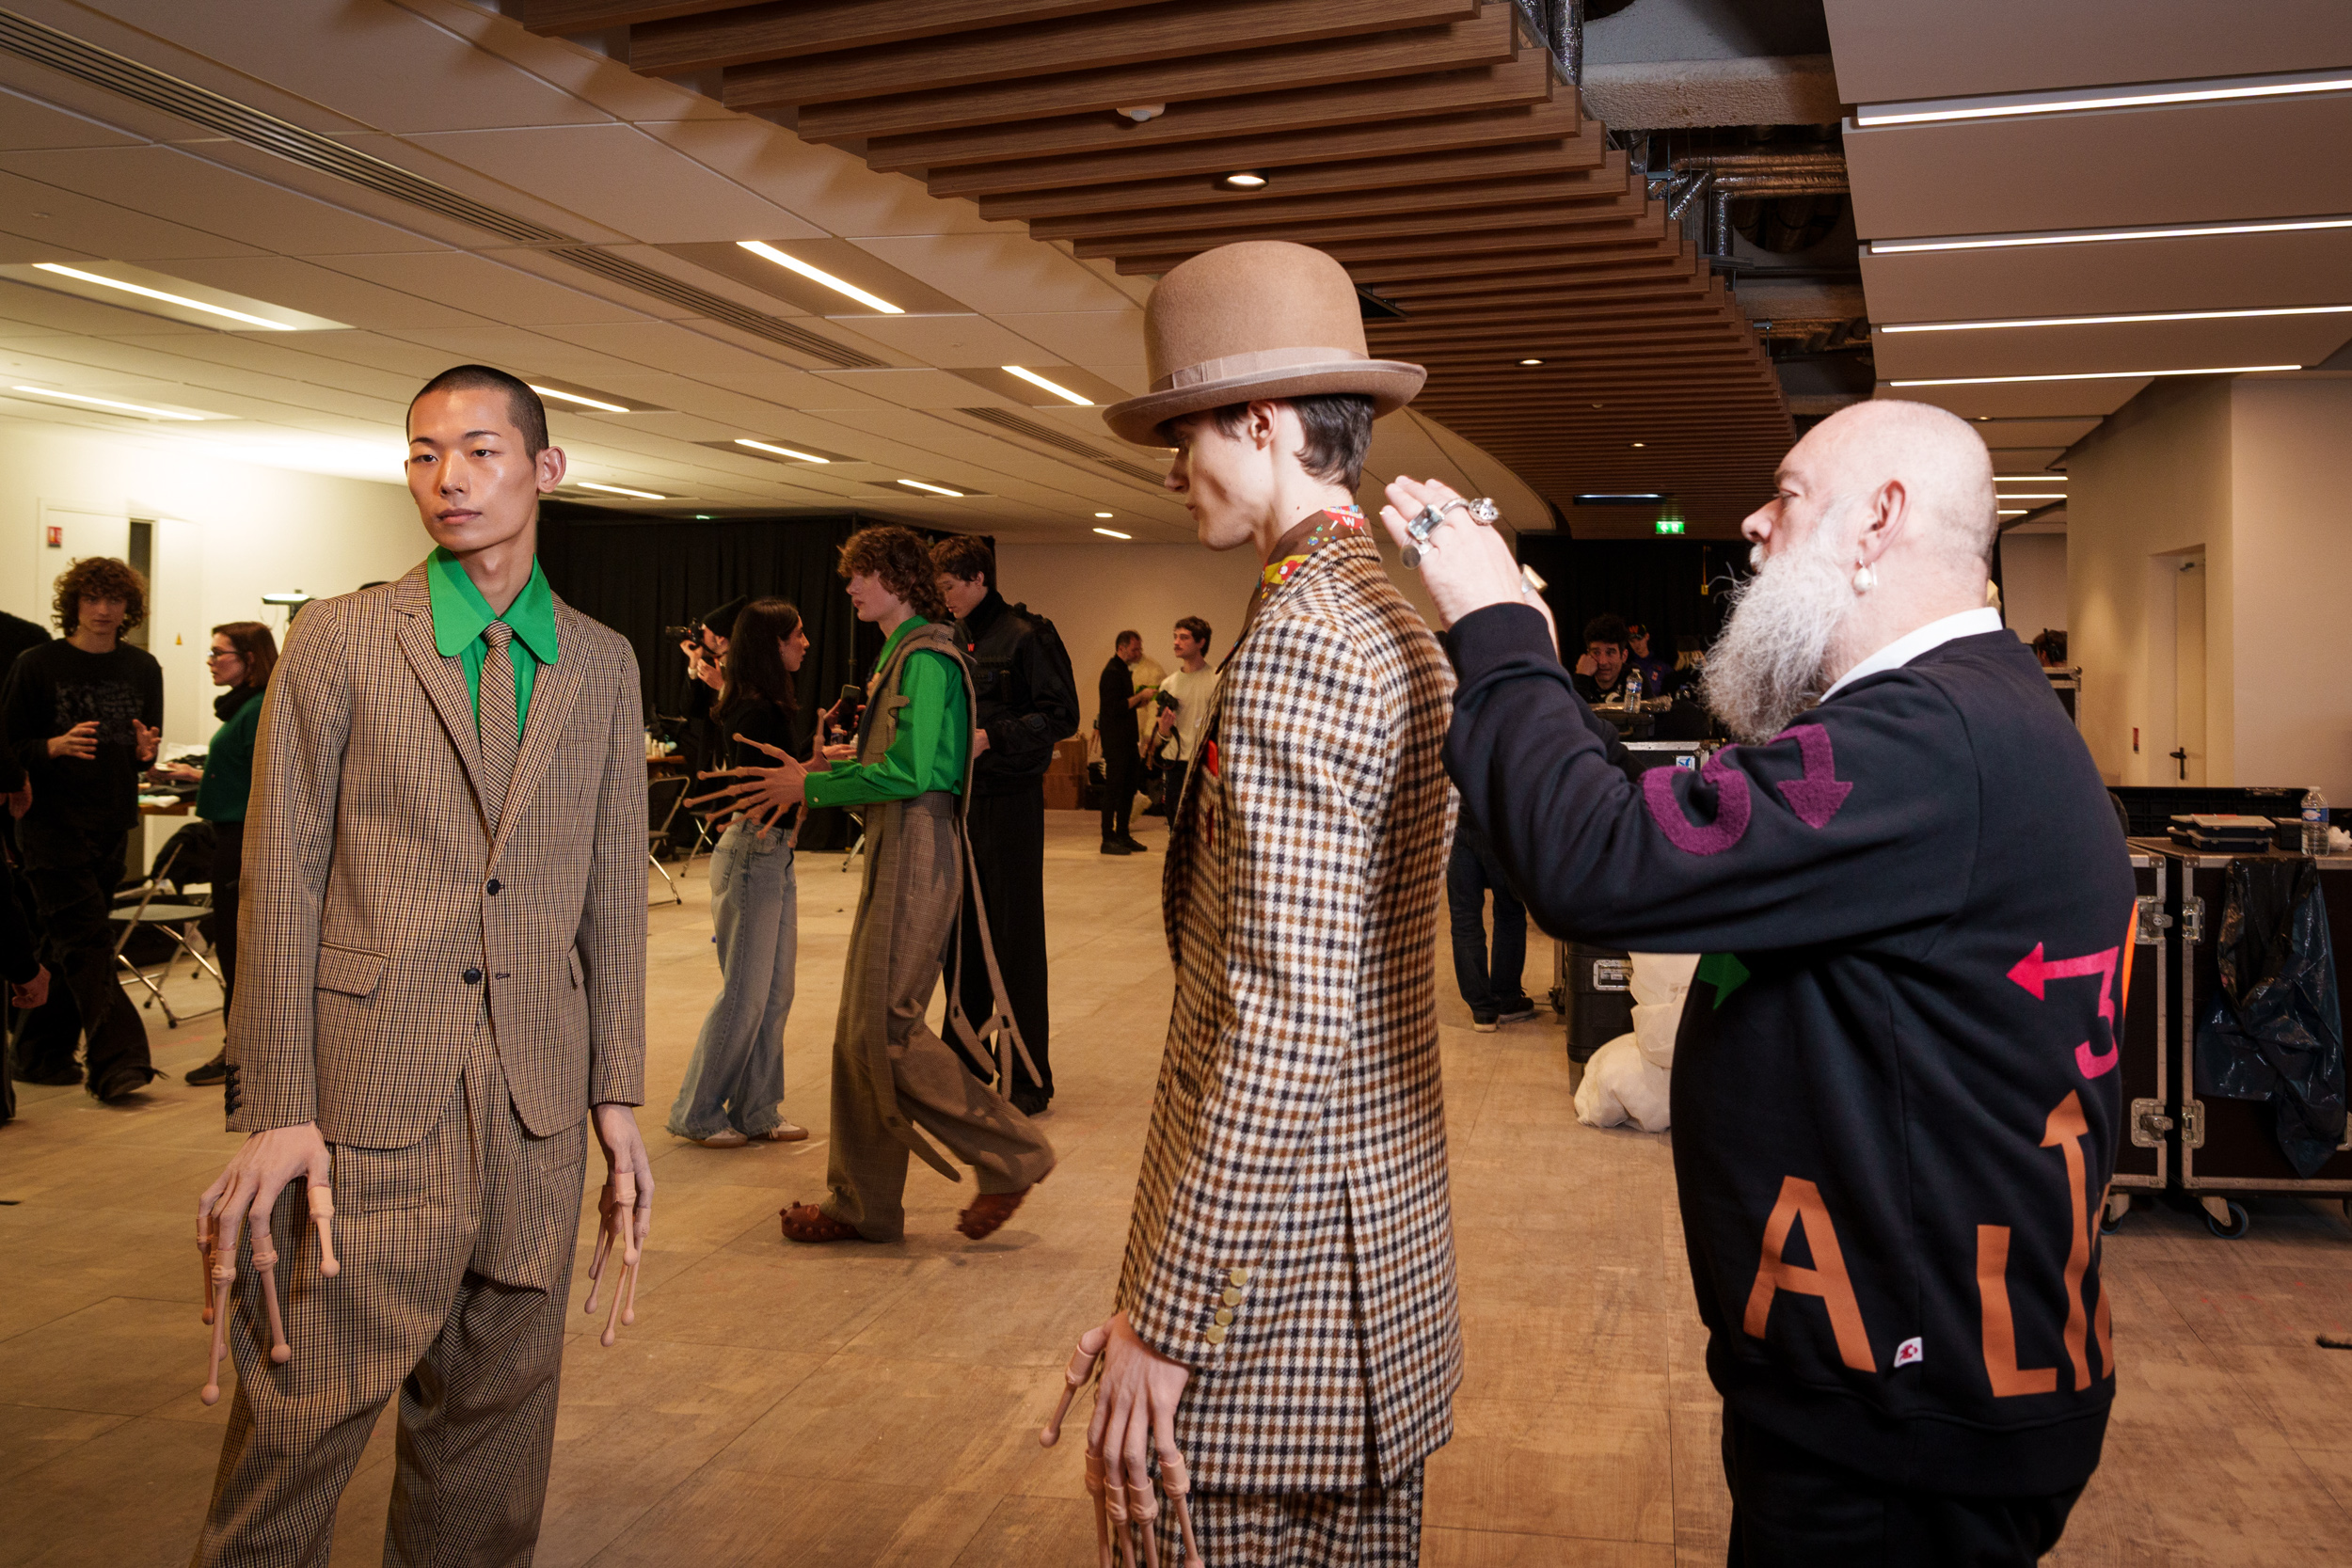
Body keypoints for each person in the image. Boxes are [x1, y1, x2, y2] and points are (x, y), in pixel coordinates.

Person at [1387, 398, 2131, 1566]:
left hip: (1903, 1418)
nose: (1749, 520)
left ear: (1877, 518)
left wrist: (1495, 627)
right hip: (1897, 1382)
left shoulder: (1926, 738)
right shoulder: (1955, 715)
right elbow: (1651, 828)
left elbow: (1593, 863)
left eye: (1783, 491)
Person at [191, 365, 653, 1567]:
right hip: (365, 1109)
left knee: (493, 1443)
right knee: (295, 1432)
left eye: (482, 451)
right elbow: (279, 875)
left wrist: (615, 1097)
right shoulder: (342, 640)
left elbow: (612, 892)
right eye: (423, 452)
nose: (448, 479)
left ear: (545, 471)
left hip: (537, 1114)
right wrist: (280, 1103)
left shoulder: (600, 663)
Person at [1074, 240, 1458, 1565]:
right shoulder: (1385, 614)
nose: (1177, 467)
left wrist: (1171, 1314)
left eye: (1189, 432)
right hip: (1365, 1255)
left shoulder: (1304, 641)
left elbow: (1280, 1024)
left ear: (1266, 420)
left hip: (1275, 1286)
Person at [697, 524, 1056, 1245]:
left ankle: (1013, 1152)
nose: (851, 588)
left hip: (917, 843)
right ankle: (861, 1202)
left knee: (885, 1030)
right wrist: (828, 766)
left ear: (894, 578)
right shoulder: (904, 652)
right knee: (859, 1029)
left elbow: (916, 772)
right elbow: (899, 758)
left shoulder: (925, 655)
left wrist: (812, 785)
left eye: (860, 575)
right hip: (900, 838)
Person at [1, 556, 163, 1101]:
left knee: (63, 939)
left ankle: (40, 1056)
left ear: (128, 610)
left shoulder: (143, 668)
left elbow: (140, 751)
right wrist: (52, 746)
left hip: (113, 818)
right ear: (73, 605)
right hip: (49, 822)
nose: (102, 611)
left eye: (113, 601)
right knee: (88, 938)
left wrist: (145, 755)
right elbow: (8, 748)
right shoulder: (36, 664)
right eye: (91, 600)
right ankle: (121, 1061)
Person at [933, 535, 1079, 1117]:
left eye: (948, 587)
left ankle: (1025, 1078)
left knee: (1013, 940)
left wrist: (992, 736)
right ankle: (965, 1067)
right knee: (960, 939)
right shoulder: (945, 638)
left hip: (1011, 800)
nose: (943, 599)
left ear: (976, 578)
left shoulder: (1027, 635)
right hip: (958, 802)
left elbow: (1061, 715)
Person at [668, 597, 813, 1148]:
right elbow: (761, 786)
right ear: (772, 645)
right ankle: (697, 1111)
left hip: (771, 852)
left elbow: (784, 779)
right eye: (795, 635)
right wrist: (813, 774)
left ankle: (757, 1108)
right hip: (753, 853)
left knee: (775, 993)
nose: (804, 643)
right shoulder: (755, 709)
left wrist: (820, 767)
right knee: (746, 994)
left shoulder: (767, 705)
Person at [168, 621, 280, 1088]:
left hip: (243, 840)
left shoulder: (256, 708)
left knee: (239, 952)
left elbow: (268, 776)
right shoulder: (241, 708)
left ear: (249, 658)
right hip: (228, 835)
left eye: (220, 653)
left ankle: (241, 1057)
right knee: (233, 948)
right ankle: (238, 1052)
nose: (212, 661)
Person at [1447, 824, 1535, 1032]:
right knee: (1509, 911)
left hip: (1458, 819)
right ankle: (1506, 1000)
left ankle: (1482, 1011)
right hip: (1497, 823)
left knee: (1464, 919)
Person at [1151, 616, 1217, 823]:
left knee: (1203, 822)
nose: (1176, 642)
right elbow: (1163, 734)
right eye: (1175, 637)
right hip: (1175, 763)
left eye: (1184, 637)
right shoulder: (1168, 684)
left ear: (1201, 642)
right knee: (1175, 819)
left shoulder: (1216, 679)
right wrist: (1163, 730)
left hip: (1204, 762)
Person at [1097, 631, 1152, 854]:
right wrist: (1140, 697)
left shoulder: (1123, 671)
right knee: (1114, 789)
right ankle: (1107, 838)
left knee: (1129, 788)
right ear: (1121, 649)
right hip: (1116, 743)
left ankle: (1123, 834)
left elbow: (1122, 708)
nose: (1139, 653)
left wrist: (1139, 702)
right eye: (1135, 649)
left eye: (1139, 648)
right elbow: (1113, 708)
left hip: (1128, 741)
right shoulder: (1111, 673)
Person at [1572, 612, 1636, 704]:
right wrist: (1581, 678)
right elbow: (1569, 715)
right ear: (1588, 654)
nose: (1602, 662)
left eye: (1610, 653)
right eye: (1596, 652)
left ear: (1624, 656)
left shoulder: (1635, 678)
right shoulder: (1580, 679)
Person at [1627, 622, 1673, 696]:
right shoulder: (1627, 666)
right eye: (1632, 641)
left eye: (1639, 639)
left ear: (1647, 637)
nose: (1636, 644)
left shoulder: (1661, 665)